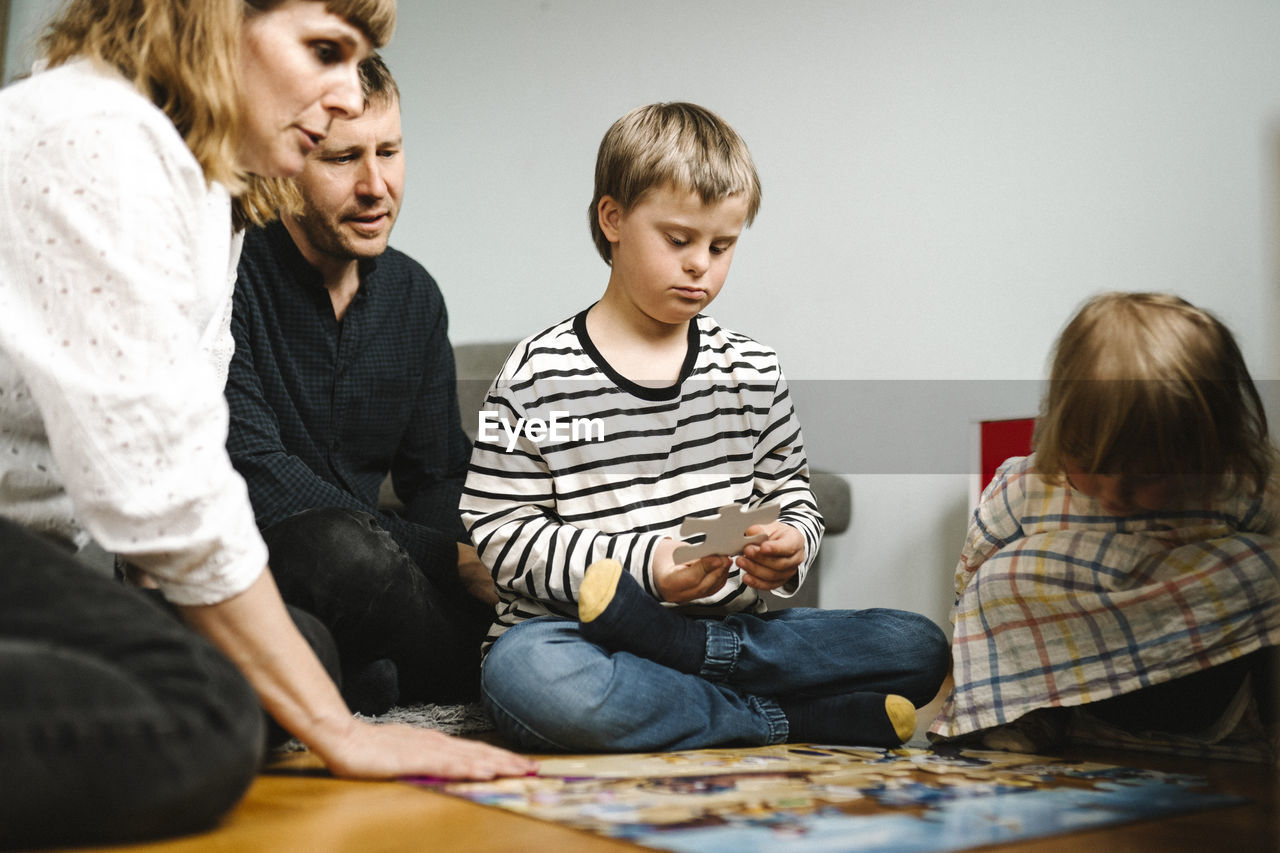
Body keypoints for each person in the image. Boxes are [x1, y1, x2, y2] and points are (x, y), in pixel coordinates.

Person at [0, 1, 532, 847]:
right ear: (210, 20)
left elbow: (174, 492)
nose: (345, 92)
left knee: (294, 658)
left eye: (357, 65)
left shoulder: (208, 195)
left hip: (51, 562)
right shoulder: (94, 141)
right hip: (42, 551)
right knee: (212, 718)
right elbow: (178, 489)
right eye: (324, 51)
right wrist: (342, 731)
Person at [462, 102, 950, 753]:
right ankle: (785, 719)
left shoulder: (751, 367)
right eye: (679, 240)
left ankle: (699, 672)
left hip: (726, 635)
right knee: (527, 675)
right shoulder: (536, 370)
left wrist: (790, 543)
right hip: (583, 638)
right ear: (612, 219)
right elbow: (501, 534)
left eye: (722, 247)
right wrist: (650, 566)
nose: (702, 265)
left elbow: (792, 498)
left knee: (916, 646)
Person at [225, 53, 492, 714]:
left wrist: (501, 549)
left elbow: (436, 476)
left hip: (388, 575)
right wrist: (446, 557)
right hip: (265, 564)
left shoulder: (414, 296)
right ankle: (459, 672)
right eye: (343, 159)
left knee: (500, 551)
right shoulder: (228, 277)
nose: (377, 185)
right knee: (340, 548)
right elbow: (260, 478)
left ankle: (386, 675)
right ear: (286, 164)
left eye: (390, 151)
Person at [929, 291, 1280, 754]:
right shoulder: (1031, 485)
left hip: (1196, 672)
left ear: (1206, 447)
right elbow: (972, 569)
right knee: (996, 580)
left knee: (1269, 570)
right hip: (1065, 677)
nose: (1115, 491)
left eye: (1148, 475)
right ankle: (1029, 719)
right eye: (1091, 462)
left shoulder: (1236, 481)